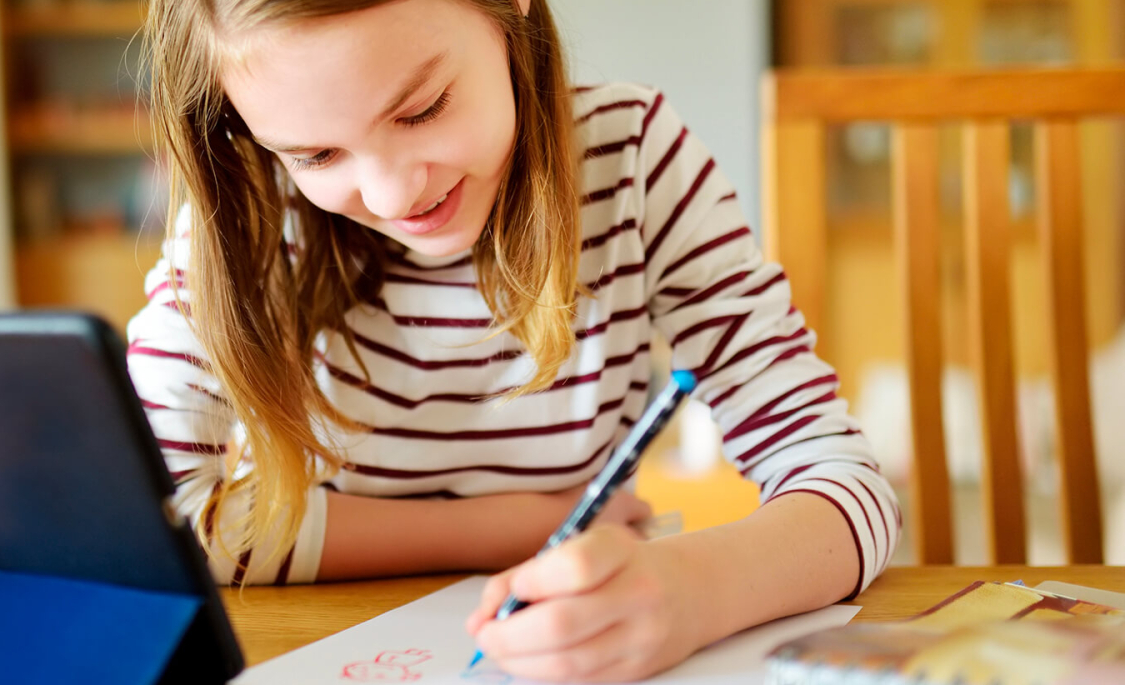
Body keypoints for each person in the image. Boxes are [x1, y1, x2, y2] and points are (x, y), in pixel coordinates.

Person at [127, 0, 898, 680]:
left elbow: (846, 487)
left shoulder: (632, 160)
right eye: (317, 156)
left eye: (421, 108)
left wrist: (691, 591)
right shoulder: (248, 214)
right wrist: (521, 522)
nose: (395, 193)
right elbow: (162, 527)